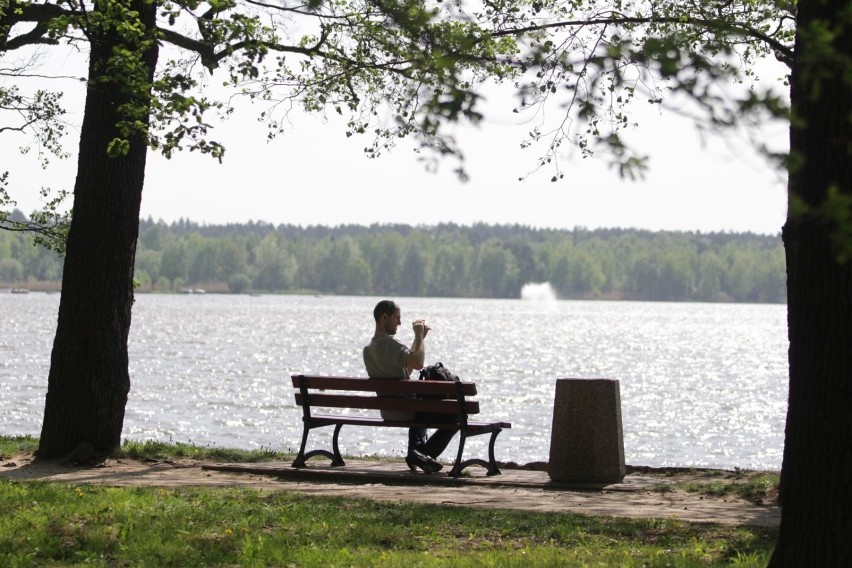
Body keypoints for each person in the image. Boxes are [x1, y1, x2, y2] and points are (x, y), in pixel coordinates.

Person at [363, 300, 457, 473]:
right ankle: (422, 454)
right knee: (455, 417)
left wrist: (419, 339)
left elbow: (408, 368)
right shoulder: (392, 344)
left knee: (421, 403)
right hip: (408, 409)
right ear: (384, 317)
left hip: (389, 410)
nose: (399, 323)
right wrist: (419, 335)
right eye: (397, 318)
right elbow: (419, 363)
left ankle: (418, 454)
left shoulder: (369, 350)